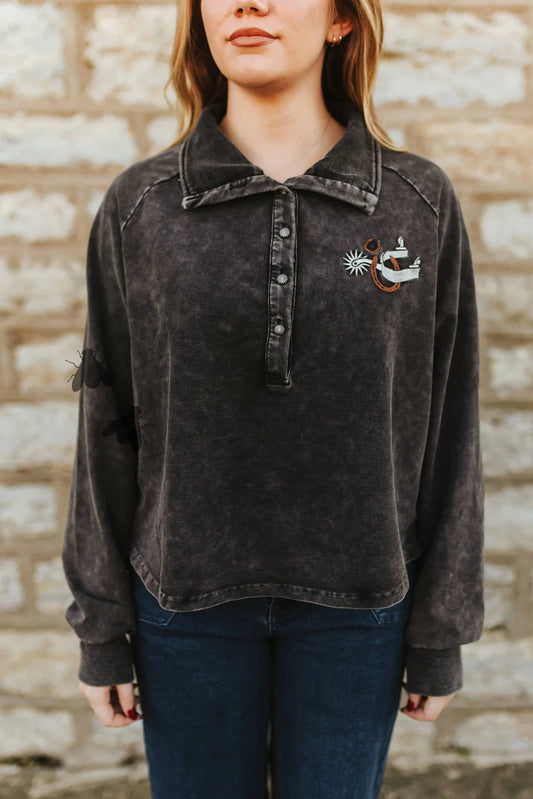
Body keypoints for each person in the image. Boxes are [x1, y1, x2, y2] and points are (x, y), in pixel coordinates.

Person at [61, 0, 485, 796]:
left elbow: (449, 423)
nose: (247, 3)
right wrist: (101, 626)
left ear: (340, 20)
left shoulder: (413, 204)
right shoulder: (142, 204)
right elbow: (104, 426)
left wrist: (440, 627)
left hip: (359, 608)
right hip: (183, 604)